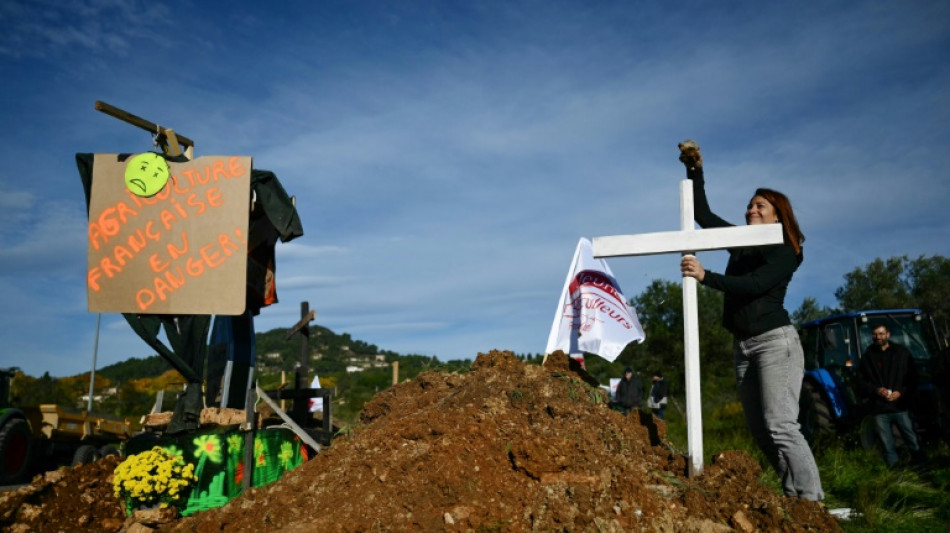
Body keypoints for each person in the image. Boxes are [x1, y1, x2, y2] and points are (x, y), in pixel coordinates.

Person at [677, 139, 824, 501]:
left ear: (778, 214)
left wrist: (706, 276)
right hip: (742, 345)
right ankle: (792, 495)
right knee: (761, 430)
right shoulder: (742, 241)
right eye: (749, 205)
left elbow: (756, 284)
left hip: (776, 343)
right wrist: (694, 169)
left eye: (760, 205)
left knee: (781, 426)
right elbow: (703, 215)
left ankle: (811, 500)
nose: (750, 209)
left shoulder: (786, 249)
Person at [856, 323, 925, 468]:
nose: (877, 337)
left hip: (900, 406)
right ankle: (895, 473)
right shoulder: (868, 356)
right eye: (875, 334)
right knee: (887, 445)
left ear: (888, 335)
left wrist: (900, 392)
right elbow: (861, 381)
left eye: (881, 334)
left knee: (912, 439)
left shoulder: (901, 353)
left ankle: (921, 467)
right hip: (880, 409)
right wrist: (876, 390)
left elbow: (912, 377)